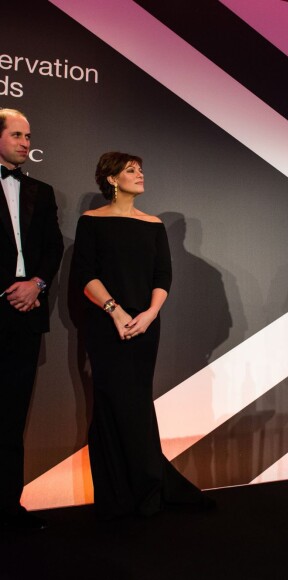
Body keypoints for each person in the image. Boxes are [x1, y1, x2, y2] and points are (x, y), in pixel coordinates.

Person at [71, 152, 215, 519]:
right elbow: (85, 274)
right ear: (112, 179)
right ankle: (118, 494)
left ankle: (147, 486)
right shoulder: (91, 222)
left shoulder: (152, 225)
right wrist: (116, 312)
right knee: (110, 405)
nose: (140, 175)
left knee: (136, 402)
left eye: (141, 169)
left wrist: (149, 315)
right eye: (131, 170)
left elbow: (161, 276)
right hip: (107, 326)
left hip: (146, 327)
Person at [0, 108, 64, 531]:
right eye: (18, 134)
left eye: (29, 135)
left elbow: (53, 246)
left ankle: (8, 510)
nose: (26, 142)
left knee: (11, 417)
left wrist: (36, 284)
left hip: (26, 315)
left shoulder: (41, 190)